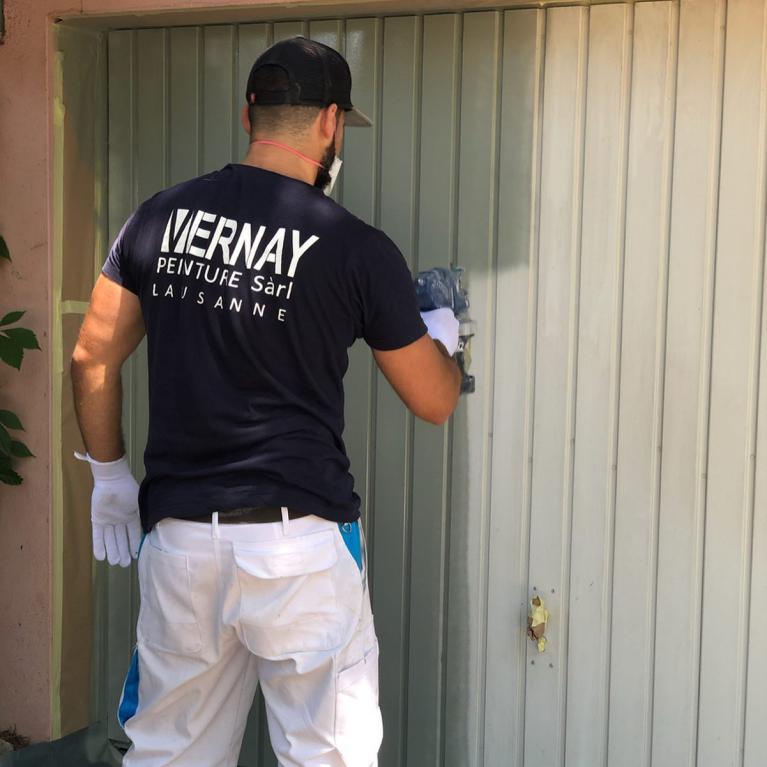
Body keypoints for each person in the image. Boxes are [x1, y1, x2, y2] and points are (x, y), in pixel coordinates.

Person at [71, 36, 461, 767]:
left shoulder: (158, 217)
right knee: (327, 756)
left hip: (183, 547)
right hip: (299, 550)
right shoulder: (353, 245)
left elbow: (92, 354)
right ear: (331, 123)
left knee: (169, 755)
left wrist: (110, 478)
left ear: (248, 113)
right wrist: (445, 338)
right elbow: (433, 399)